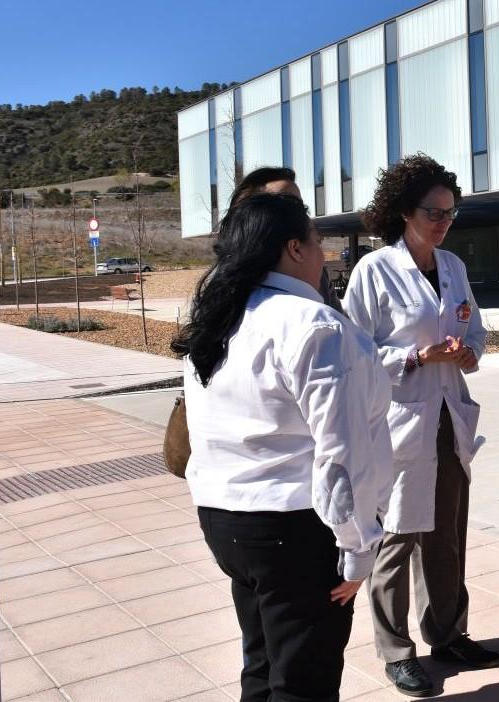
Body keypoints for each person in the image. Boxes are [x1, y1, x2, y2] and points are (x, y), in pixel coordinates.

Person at [173, 193, 393, 702]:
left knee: (263, 662)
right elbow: (341, 455)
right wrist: (358, 547)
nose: (324, 255)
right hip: (293, 528)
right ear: (294, 249)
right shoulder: (313, 325)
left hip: (226, 519)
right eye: (317, 242)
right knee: (303, 680)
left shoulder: (219, 321)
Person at [342, 153, 499, 698]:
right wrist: (415, 356)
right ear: (405, 212)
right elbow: (356, 352)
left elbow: (475, 329)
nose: (443, 222)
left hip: (449, 416)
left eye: (450, 213)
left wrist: (469, 352)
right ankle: (396, 651)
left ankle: (448, 634)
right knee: (396, 537)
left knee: (446, 535)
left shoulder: (452, 266)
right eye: (434, 212)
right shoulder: (374, 271)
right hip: (399, 422)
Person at [228, 166, 343, 312]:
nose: (297, 214)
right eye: (284, 203)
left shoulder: (317, 274)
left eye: (300, 206)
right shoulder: (227, 281)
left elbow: (336, 316)